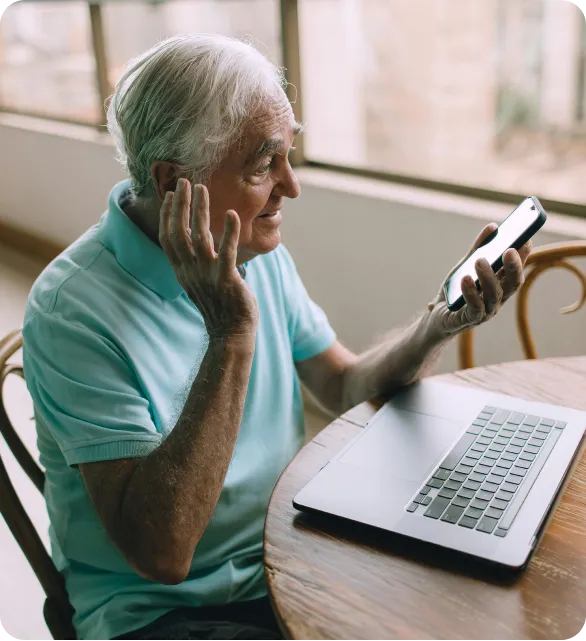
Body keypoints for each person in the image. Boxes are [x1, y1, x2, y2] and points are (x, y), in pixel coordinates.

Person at [22, 34, 531, 641]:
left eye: (290, 156)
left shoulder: (250, 248)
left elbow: (343, 385)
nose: (291, 187)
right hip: (159, 613)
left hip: (284, 556)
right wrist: (231, 335)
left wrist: (437, 324)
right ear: (172, 181)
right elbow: (162, 555)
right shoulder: (70, 310)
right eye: (265, 163)